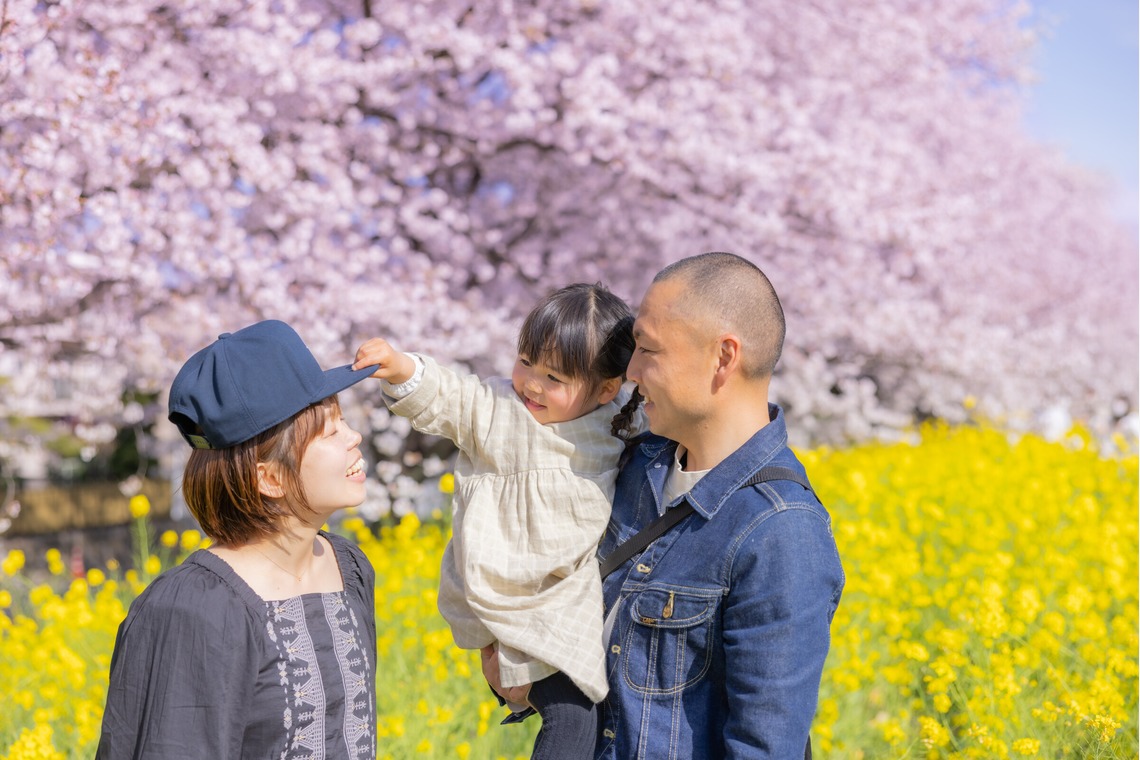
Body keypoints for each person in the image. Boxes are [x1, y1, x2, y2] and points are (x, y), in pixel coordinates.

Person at [485, 253, 845, 758]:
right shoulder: (632, 465)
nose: (629, 371)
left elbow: (764, 748)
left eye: (648, 350)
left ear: (723, 358)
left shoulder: (781, 531)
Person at [352, 283, 640, 760]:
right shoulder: (498, 411)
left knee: (582, 716)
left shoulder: (619, 427)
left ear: (607, 389)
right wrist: (403, 368)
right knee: (574, 714)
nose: (531, 383)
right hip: (501, 592)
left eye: (554, 377)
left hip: (564, 600)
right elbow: (451, 396)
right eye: (526, 361)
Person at [96, 320, 380, 760]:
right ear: (268, 477)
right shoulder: (191, 608)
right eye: (329, 432)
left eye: (343, 420)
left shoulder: (349, 566)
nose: (354, 437)